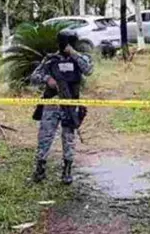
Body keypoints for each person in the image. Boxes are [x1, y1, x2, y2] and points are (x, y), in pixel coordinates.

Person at [29, 30, 94, 185]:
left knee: (68, 138)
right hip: (52, 103)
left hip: (70, 103)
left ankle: (67, 169)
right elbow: (34, 77)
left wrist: (73, 54)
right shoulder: (51, 60)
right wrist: (48, 79)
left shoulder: (80, 59)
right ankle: (40, 168)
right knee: (45, 136)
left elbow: (88, 70)